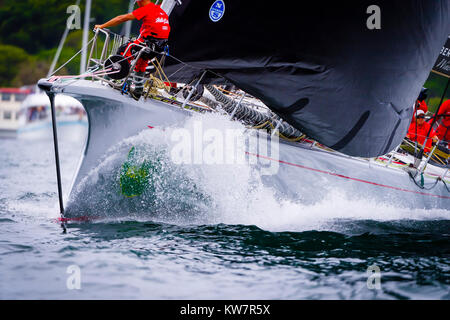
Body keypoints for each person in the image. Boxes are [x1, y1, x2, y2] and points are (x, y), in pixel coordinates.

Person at [94, 0, 171, 99]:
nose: (137, 4)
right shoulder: (160, 10)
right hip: (157, 48)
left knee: (123, 50)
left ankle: (115, 80)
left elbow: (121, 18)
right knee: (141, 61)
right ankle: (138, 90)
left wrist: (102, 26)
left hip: (149, 44)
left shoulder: (146, 9)